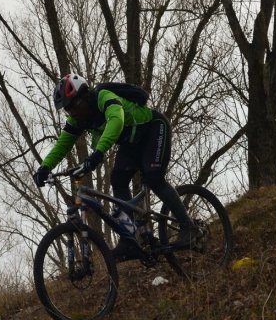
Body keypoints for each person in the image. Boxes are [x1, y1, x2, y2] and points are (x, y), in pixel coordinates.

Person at [33, 73, 201, 261]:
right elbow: (62, 144)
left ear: (84, 96)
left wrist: (98, 152)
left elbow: (117, 120)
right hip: (132, 143)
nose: (72, 112)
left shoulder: (103, 96)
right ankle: (129, 240)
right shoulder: (78, 120)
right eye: (68, 109)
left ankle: (189, 226)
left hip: (153, 128)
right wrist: (44, 167)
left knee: (153, 177)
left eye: (74, 105)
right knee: (118, 180)